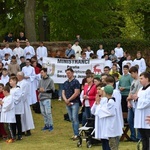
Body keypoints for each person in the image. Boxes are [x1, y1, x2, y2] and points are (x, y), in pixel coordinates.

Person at [62, 68, 80, 140]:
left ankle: (76, 134)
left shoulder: (76, 82)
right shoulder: (65, 83)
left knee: (75, 118)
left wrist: (68, 100)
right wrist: (66, 100)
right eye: (67, 73)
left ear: (72, 73)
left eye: (69, 73)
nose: (68, 74)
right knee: (71, 118)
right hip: (68, 102)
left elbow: (76, 93)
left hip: (75, 102)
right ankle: (75, 133)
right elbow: (63, 92)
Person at [134, 72, 150, 150]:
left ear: (147, 79)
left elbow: (148, 101)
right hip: (140, 115)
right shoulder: (140, 89)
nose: (140, 80)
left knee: (148, 135)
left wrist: (138, 99)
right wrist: (135, 99)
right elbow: (137, 100)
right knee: (143, 136)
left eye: (141, 78)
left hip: (147, 114)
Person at [17, 72, 35, 136]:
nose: (17, 77)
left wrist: (20, 99)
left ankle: (28, 130)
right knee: (21, 117)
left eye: (18, 75)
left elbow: (24, 93)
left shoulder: (25, 83)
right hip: (18, 102)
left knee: (26, 116)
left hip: (23, 102)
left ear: (21, 76)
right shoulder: (18, 83)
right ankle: (22, 130)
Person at [127, 66, 141, 142]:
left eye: (132, 73)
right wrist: (128, 101)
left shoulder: (139, 81)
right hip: (131, 102)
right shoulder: (133, 81)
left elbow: (138, 92)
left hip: (136, 102)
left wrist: (130, 98)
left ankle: (139, 136)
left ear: (136, 72)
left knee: (137, 119)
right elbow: (130, 91)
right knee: (129, 120)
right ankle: (133, 135)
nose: (131, 75)